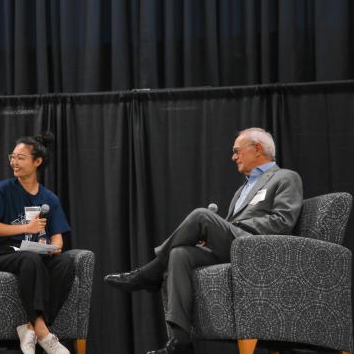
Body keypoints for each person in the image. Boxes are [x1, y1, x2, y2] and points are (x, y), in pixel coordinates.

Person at [104, 127, 303, 354]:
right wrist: (214, 235)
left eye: (237, 151)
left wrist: (229, 227)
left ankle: (149, 272)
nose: (233, 156)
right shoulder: (241, 190)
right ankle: (180, 342)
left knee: (201, 216)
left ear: (257, 149)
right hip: (234, 248)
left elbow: (283, 221)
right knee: (180, 254)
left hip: (257, 248)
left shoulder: (285, 177)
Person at [0, 132, 74, 354]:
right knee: (30, 260)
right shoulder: (4, 189)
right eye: (12, 157)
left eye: (20, 158)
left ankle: (31, 327)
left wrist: (56, 246)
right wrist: (25, 228)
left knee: (66, 263)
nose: (14, 162)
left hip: (37, 253)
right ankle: (43, 333)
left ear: (37, 162)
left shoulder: (49, 198)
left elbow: (58, 235)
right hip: (6, 253)